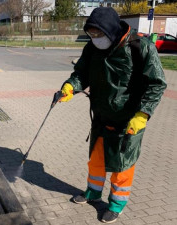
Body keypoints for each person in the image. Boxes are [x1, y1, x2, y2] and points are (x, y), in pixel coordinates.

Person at [59, 7, 167, 223]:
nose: (95, 38)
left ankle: (117, 204)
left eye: (99, 33)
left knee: (122, 166)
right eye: (91, 34)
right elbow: (81, 73)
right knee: (96, 161)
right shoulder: (92, 48)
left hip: (129, 121)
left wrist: (143, 114)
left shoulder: (140, 47)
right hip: (101, 117)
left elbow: (157, 84)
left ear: (110, 30)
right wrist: (71, 85)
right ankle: (93, 193)